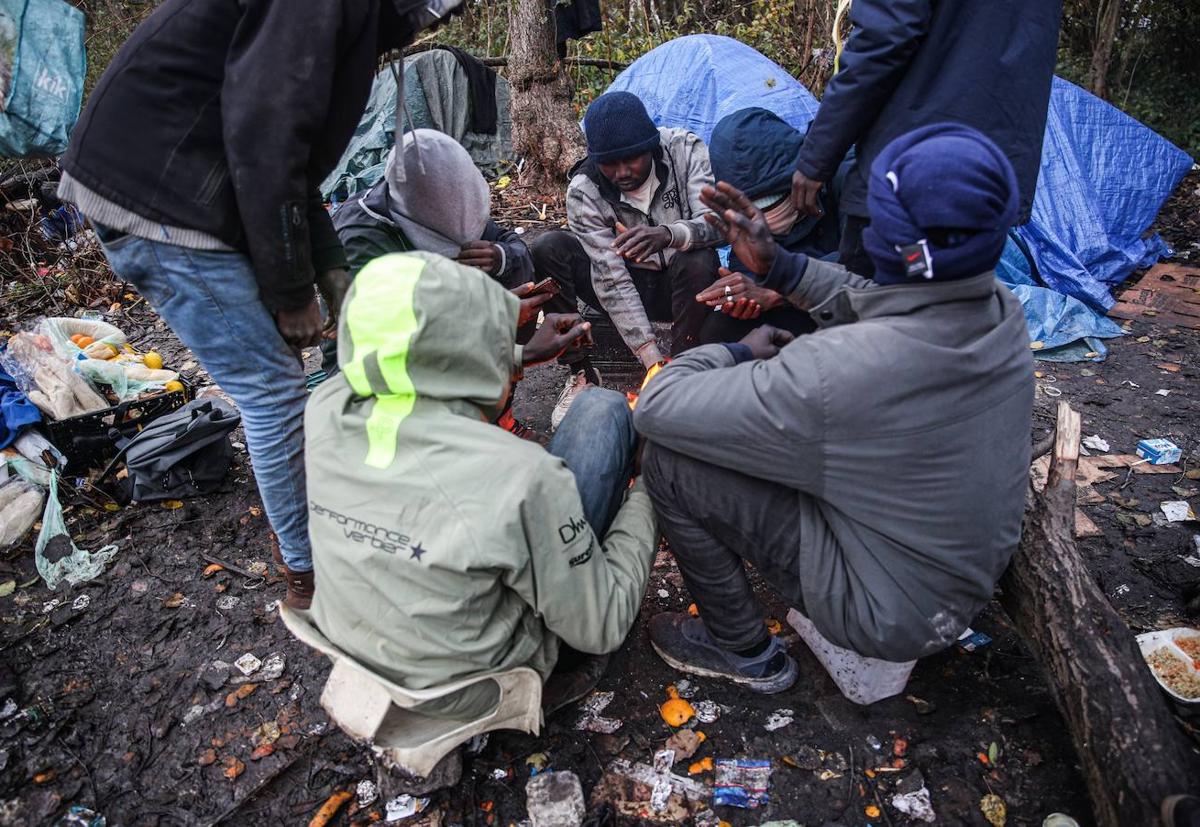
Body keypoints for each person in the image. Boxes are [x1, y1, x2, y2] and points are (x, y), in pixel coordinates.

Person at [56, 0, 463, 609]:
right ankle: (309, 577)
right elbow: (264, 136)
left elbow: (294, 163)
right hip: (161, 197)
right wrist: (292, 291)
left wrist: (331, 271)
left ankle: (315, 511)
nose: (437, 23)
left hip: (184, 184)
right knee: (271, 387)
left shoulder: (341, 18)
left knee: (282, 375)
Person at [633, 124, 1034, 693]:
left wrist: (736, 351)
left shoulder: (839, 370)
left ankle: (742, 649)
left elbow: (657, 406)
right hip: (957, 585)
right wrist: (783, 268)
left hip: (886, 616)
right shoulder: (999, 308)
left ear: (883, 238)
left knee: (670, 463)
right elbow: (880, 299)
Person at [306, 250, 658, 720]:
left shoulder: (325, 405)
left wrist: (517, 356)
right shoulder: (523, 476)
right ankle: (558, 672)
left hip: (356, 652)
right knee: (601, 409)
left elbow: (402, 361)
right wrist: (650, 488)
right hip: (474, 686)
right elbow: (606, 623)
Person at [325, 128, 597, 415]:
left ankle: (497, 418)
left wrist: (500, 257)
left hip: (449, 347)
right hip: (372, 386)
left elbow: (513, 246)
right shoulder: (359, 239)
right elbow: (388, 343)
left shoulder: (447, 195)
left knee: (515, 275)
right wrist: (496, 323)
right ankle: (464, 431)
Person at [790, 0, 1062, 275]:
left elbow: (883, 38)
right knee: (942, 298)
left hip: (911, 182)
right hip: (986, 179)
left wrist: (817, 157)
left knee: (875, 300)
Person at [535, 91, 742, 429]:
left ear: (650, 147)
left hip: (684, 286)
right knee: (548, 247)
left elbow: (717, 225)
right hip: (627, 283)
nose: (622, 172)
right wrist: (649, 358)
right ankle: (582, 372)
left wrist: (669, 234)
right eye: (609, 164)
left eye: (631, 158)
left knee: (698, 258)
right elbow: (610, 277)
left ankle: (682, 370)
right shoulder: (584, 189)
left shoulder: (684, 151)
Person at [697, 107, 852, 333]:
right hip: (796, 307)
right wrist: (743, 292)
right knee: (720, 329)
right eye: (749, 208)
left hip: (859, 309)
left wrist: (778, 291)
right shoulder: (741, 221)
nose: (762, 219)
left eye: (770, 201)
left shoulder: (849, 179)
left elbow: (864, 265)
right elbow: (751, 274)